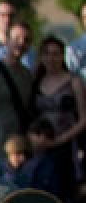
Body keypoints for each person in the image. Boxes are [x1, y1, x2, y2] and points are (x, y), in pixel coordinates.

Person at [28, 35, 86, 175]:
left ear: (62, 56)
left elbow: (84, 118)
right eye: (47, 53)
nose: (51, 58)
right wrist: (33, 137)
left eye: (56, 54)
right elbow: (30, 115)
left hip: (68, 144)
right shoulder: (36, 82)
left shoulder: (74, 81)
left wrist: (60, 140)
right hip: (41, 143)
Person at [0, 21, 33, 142]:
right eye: (17, 38)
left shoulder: (27, 74)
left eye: (26, 40)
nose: (21, 43)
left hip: (20, 139)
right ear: (7, 41)